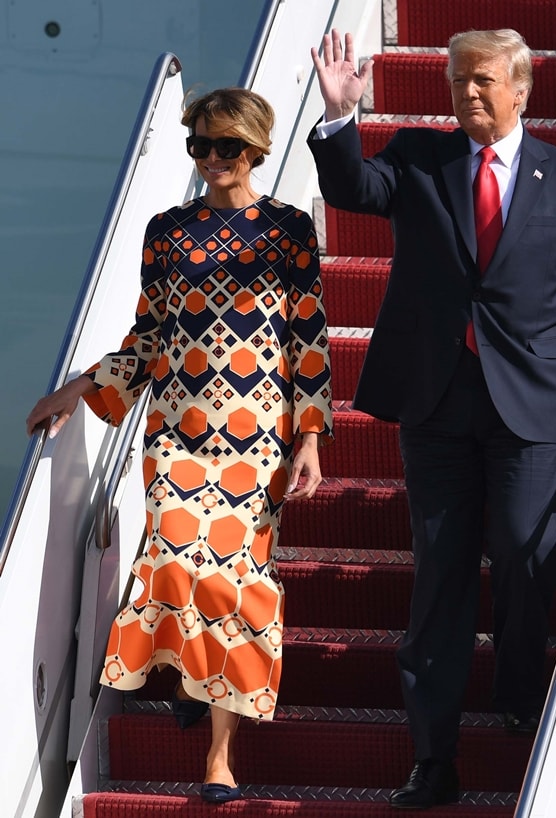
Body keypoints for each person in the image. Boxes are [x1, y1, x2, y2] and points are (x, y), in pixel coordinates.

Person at [309, 28, 556, 810]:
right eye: (457, 81)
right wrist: (337, 121)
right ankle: (434, 759)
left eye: (484, 81)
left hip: (529, 403)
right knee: (441, 577)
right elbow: (353, 193)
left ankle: (523, 699)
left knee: (530, 562)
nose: (467, 94)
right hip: (436, 400)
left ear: (522, 88)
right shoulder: (417, 157)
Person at [26, 87, 333, 804]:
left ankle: (220, 756)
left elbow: (308, 338)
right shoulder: (167, 231)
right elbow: (148, 335)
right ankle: (197, 675)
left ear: (256, 147)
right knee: (169, 561)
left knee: (231, 582)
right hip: (176, 433)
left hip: (257, 439)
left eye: (226, 146)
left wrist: (310, 437)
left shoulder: (288, 230)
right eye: (199, 146)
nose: (212, 160)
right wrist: (78, 387)